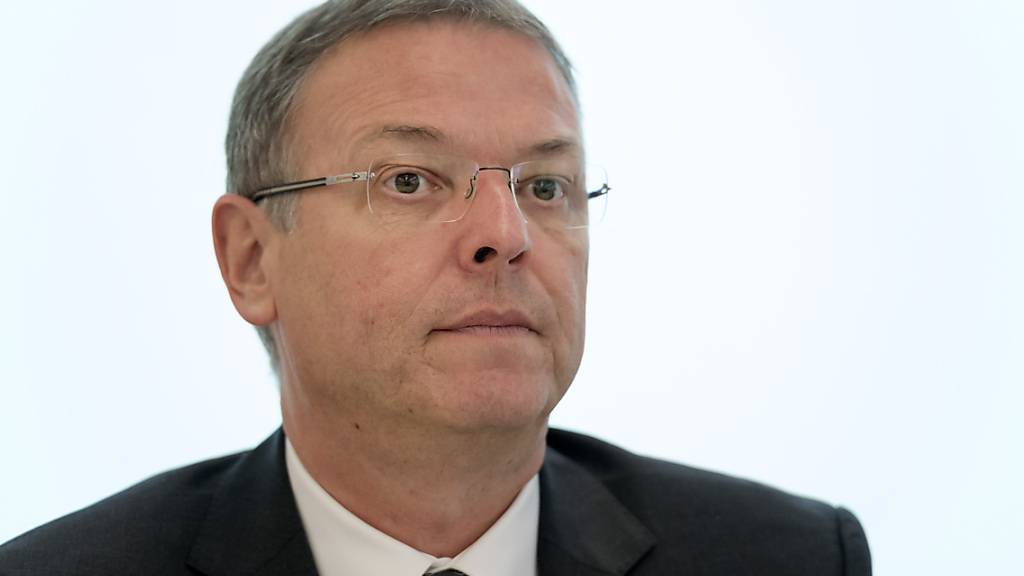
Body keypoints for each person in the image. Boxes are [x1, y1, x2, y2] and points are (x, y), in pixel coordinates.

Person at [0, 1, 871, 574]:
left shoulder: (789, 560)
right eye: (409, 181)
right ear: (252, 259)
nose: (506, 234)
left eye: (545, 186)